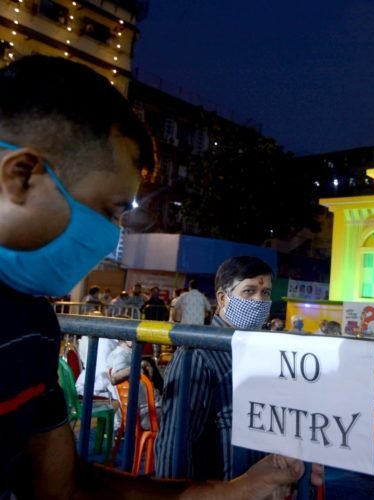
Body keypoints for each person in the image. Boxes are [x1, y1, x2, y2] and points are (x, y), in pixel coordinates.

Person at [0, 55, 318, 498]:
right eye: (108, 211)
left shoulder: (33, 327)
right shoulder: (197, 356)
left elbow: (63, 487)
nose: (110, 237)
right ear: (20, 176)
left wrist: (237, 490)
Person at [156, 256, 277, 480]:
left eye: (266, 293)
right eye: (249, 291)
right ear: (222, 298)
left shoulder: (262, 353)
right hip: (219, 488)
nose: (259, 301)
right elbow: (175, 442)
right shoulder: (197, 355)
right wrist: (175, 493)